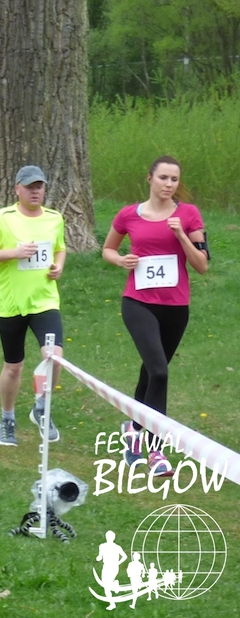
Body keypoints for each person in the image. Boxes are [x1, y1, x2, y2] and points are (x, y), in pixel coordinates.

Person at [102, 155, 208, 477]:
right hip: (138, 303)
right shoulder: (128, 214)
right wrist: (121, 261)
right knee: (159, 371)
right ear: (149, 179)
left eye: (174, 179)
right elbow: (108, 250)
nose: (169, 184)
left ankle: (133, 429)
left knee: (150, 373)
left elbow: (202, 265)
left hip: (175, 307)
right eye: (163, 178)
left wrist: (181, 236)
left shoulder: (188, 215)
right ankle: (156, 451)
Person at [0, 165, 66, 447]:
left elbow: (60, 248)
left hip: (44, 300)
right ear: (17, 189)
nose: (35, 192)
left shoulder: (54, 218)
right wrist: (14, 253)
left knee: (54, 357)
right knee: (14, 367)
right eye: (29, 187)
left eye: (40, 187)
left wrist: (58, 266)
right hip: (11, 304)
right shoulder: (3, 219)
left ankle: (41, 408)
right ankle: (7, 419)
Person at [95, 530, 127, 611]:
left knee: (106, 586)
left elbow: (124, 556)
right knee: (106, 585)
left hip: (111, 567)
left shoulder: (111, 547)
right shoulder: (105, 546)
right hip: (109, 566)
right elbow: (100, 557)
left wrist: (118, 563)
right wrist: (118, 563)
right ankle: (114, 584)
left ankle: (112, 603)